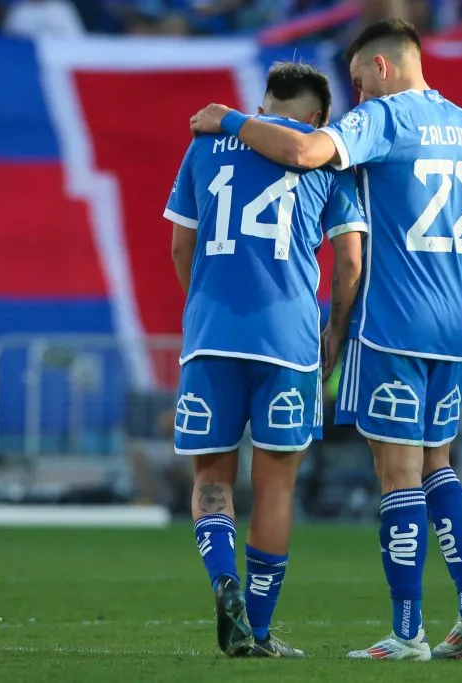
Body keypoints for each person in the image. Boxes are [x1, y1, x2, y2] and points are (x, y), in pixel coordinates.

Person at [189, 19, 462, 661]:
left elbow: (306, 153)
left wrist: (227, 119)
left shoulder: (385, 117)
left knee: (397, 476)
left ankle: (408, 632)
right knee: (438, 464)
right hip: (451, 327)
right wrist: (458, 292)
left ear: (384, 69)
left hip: (392, 324)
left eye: (359, 82)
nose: (357, 97)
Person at [167, 62, 366, 658]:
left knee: (210, 477)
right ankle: (255, 628)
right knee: (276, 486)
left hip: (211, 335)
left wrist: (203, 304)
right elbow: (351, 263)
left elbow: (182, 242)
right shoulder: (328, 163)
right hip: (288, 341)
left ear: (264, 101)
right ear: (317, 118)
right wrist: (333, 329)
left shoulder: (204, 146)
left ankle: (221, 579)